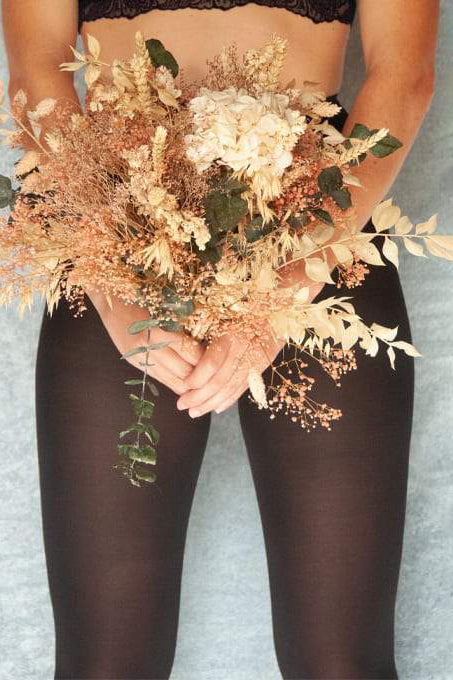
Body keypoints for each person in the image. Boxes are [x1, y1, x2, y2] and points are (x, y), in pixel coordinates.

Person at [2, 1, 439, 677]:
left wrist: (290, 282)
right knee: (104, 662)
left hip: (316, 229)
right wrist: (114, 287)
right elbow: (37, 70)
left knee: (343, 663)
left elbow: (402, 75)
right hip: (121, 235)